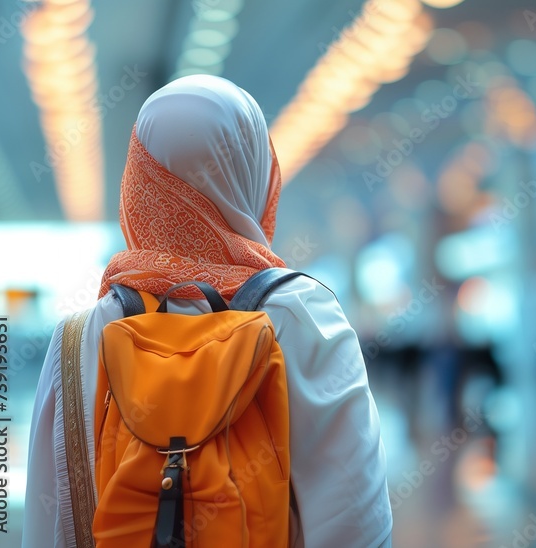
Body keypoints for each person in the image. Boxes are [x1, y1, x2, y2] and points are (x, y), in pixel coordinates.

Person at [22, 75, 392, 547]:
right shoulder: (302, 315)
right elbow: (356, 521)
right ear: (256, 172)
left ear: (138, 182)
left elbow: (49, 523)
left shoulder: (81, 337)